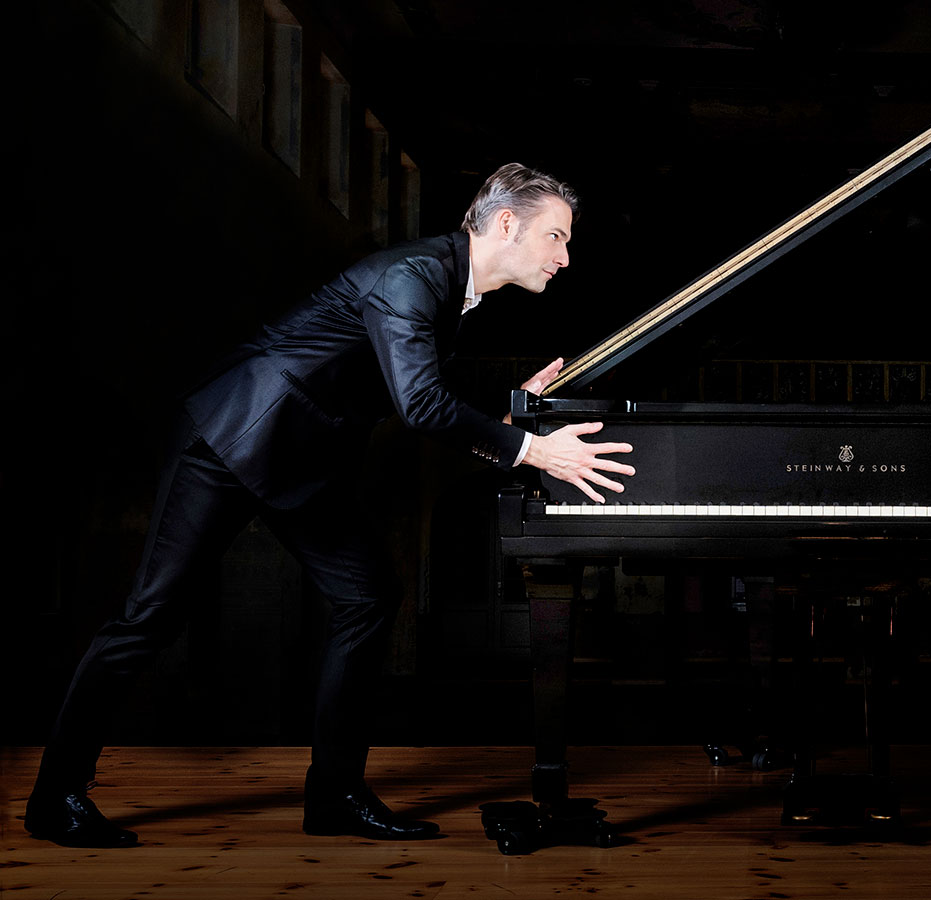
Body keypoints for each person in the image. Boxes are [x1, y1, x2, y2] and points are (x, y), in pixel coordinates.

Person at [24, 163, 635, 848]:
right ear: (505, 225)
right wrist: (531, 449)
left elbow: (421, 386)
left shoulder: (449, 291)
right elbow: (421, 405)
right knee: (149, 616)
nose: (565, 256)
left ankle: (336, 796)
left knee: (368, 595)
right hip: (232, 436)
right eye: (556, 236)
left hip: (301, 457)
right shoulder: (411, 277)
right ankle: (56, 797)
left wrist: (503, 411)